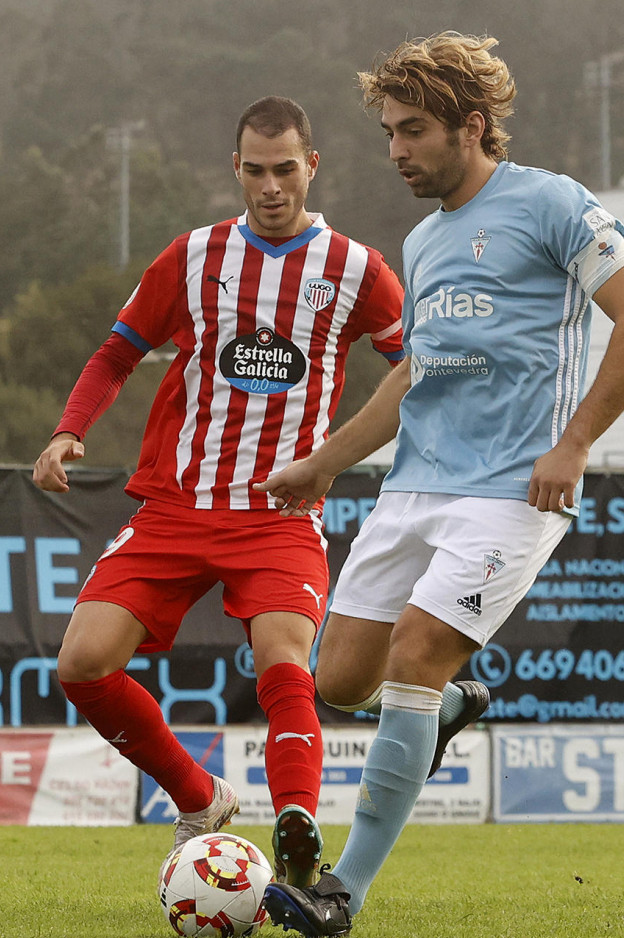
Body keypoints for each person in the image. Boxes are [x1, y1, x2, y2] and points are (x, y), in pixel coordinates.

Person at [256, 33, 624, 937]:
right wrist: (325, 461)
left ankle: (340, 892)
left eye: (411, 131)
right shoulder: (421, 238)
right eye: (389, 133)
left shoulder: (553, 204)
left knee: (414, 653)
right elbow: (413, 376)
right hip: (414, 489)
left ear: (472, 127)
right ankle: (445, 710)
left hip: (511, 491)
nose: (396, 150)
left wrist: (572, 444)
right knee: (339, 679)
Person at [32, 96, 406, 887]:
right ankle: (200, 796)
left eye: (285, 170)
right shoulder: (192, 256)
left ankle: (297, 823)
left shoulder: (355, 269)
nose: (271, 187)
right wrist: (70, 426)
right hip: (176, 505)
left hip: (280, 512)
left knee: (283, 661)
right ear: (235, 169)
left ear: (312, 167)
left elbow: (416, 366)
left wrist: (367, 452)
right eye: (256, 171)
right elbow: (115, 353)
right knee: (82, 663)